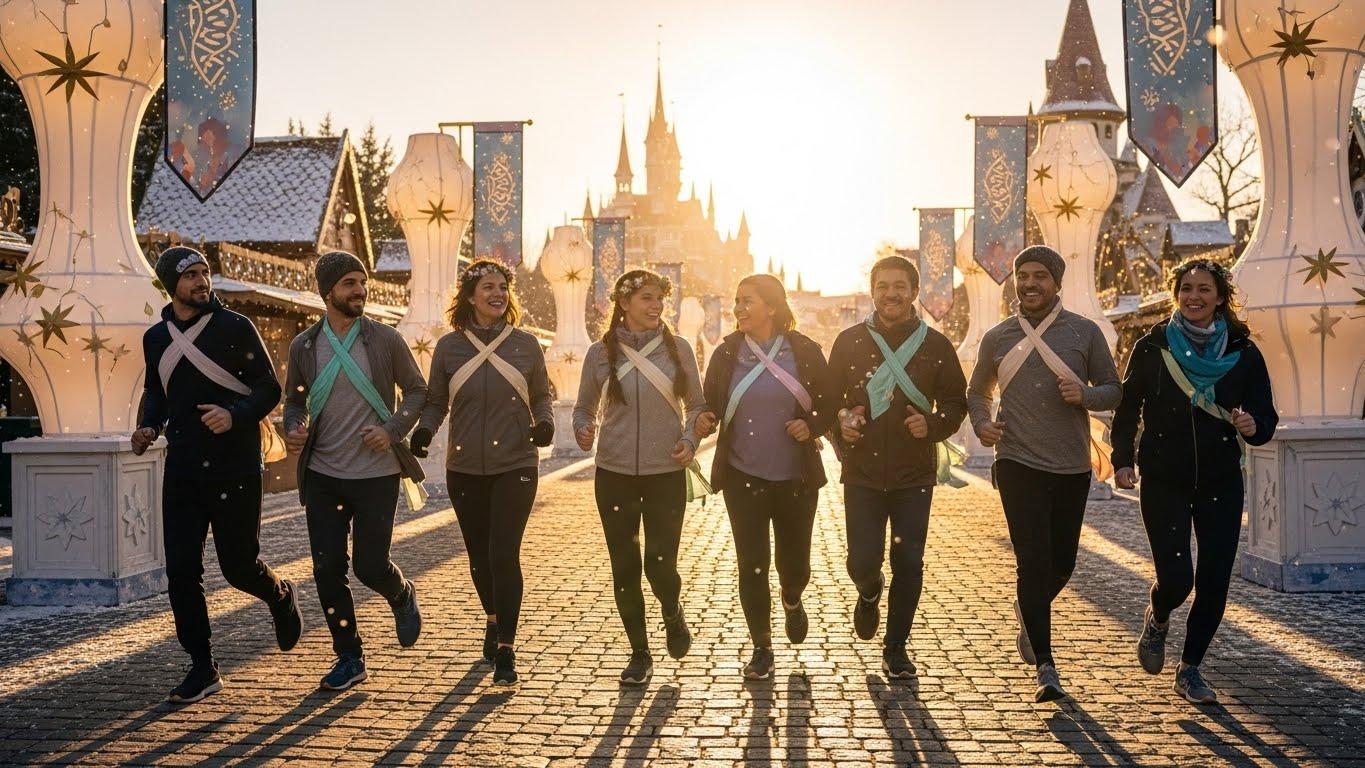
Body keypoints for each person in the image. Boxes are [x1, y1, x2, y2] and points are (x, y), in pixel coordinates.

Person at [133, 246, 302, 704]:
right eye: (191, 275)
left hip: (235, 466)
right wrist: (150, 424)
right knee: (181, 573)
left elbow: (270, 387)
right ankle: (202, 667)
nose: (202, 281)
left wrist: (235, 415)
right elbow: (157, 391)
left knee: (239, 567)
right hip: (183, 468)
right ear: (172, 283)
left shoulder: (235, 327)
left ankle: (280, 593)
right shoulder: (155, 337)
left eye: (205, 273)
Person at [1111, 258, 1277, 704]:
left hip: (1221, 479)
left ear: (1220, 297)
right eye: (1186, 288)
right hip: (1164, 476)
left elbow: (1267, 419)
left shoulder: (1243, 351)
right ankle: (1159, 616)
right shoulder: (1153, 346)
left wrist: (1251, 426)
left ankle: (1190, 669)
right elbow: (1128, 409)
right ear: (1176, 294)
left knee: (1214, 580)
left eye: (1204, 289)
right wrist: (1122, 459)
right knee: (1177, 578)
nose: (1193, 297)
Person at [967, 245, 1121, 702]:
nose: (1030, 284)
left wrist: (1085, 396)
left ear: (1056, 283)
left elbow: (1114, 390)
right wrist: (982, 423)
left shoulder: (1084, 333)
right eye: (1023, 277)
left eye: (1039, 277)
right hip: (1016, 463)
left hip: (1071, 465)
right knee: (1032, 561)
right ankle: (1047, 666)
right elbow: (977, 391)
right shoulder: (996, 337)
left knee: (1062, 563)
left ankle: (1027, 608)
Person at [283, 251, 428, 692]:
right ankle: (349, 655)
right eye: (349, 283)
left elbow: (418, 390)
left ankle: (401, 592)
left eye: (362, 282)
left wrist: (392, 429)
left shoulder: (385, 340)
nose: (359, 291)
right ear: (328, 292)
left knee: (369, 566)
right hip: (324, 474)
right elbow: (294, 399)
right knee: (327, 569)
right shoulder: (304, 346)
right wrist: (293, 427)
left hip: (377, 473)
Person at [412, 259, 554, 686]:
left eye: (503, 288)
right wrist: (425, 430)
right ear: (470, 295)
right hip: (465, 467)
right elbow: (437, 401)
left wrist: (544, 422)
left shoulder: (526, 345)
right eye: (488, 287)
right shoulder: (449, 348)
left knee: (503, 553)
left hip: (516, 463)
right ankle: (492, 618)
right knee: (478, 555)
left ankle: (507, 649)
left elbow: (543, 395)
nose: (498, 294)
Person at [828, 255, 968, 678]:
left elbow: (956, 405)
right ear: (872, 291)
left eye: (900, 286)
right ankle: (868, 593)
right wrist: (842, 425)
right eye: (883, 286)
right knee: (861, 561)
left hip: (913, 474)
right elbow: (827, 400)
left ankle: (896, 648)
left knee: (909, 562)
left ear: (914, 292)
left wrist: (933, 424)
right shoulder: (849, 341)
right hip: (862, 473)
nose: (891, 294)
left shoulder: (937, 345)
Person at [694, 274, 838, 680]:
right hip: (743, 476)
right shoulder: (726, 354)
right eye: (736, 301)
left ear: (772, 307)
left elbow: (828, 404)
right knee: (751, 564)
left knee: (795, 566)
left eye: (747, 301)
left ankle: (792, 600)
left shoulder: (805, 351)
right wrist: (705, 418)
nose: (738, 308)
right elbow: (713, 404)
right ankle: (762, 646)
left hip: (795, 477)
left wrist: (810, 425)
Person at [573, 269, 707, 686]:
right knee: (625, 567)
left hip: (665, 473)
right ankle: (639, 653)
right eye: (646, 299)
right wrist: (582, 430)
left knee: (660, 565)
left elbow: (699, 407)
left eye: (660, 300)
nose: (655, 307)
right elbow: (582, 408)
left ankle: (672, 608)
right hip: (613, 475)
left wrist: (689, 439)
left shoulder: (679, 348)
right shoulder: (599, 353)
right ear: (624, 304)